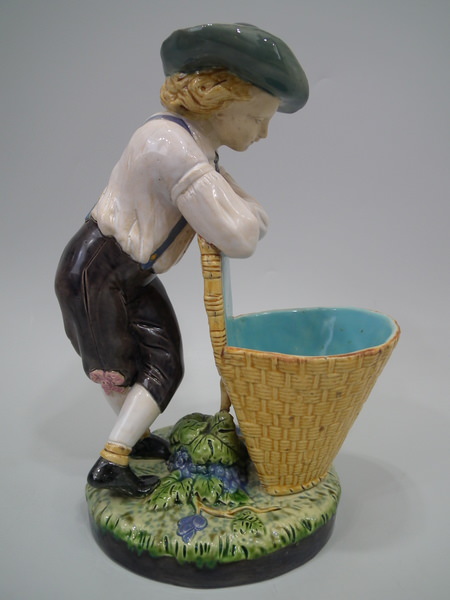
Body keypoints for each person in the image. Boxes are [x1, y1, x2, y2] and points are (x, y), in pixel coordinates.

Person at [55, 23, 308, 496]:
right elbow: (240, 234)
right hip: (96, 273)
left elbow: (253, 219)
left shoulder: (197, 147)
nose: (264, 133)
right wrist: (242, 216)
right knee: (131, 368)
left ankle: (132, 439)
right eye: (257, 118)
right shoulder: (170, 147)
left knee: (164, 362)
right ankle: (112, 463)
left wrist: (242, 214)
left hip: (130, 274)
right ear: (221, 102)